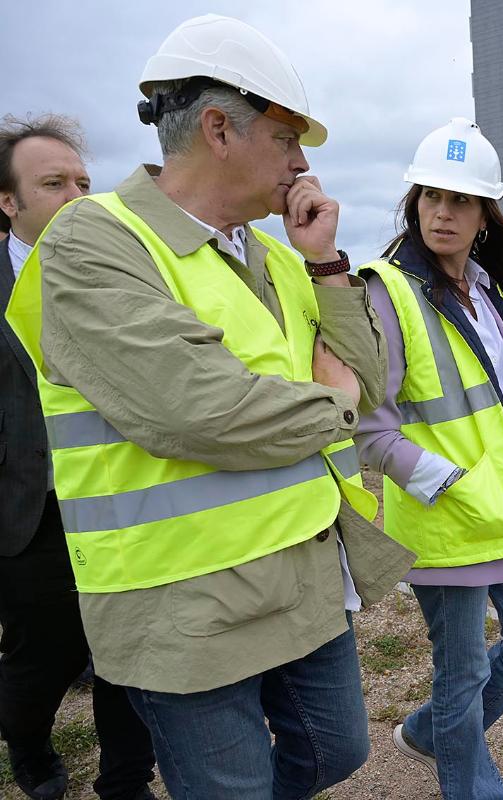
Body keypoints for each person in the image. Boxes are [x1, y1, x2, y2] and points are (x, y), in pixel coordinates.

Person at [4, 15, 416, 798]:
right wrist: (332, 400)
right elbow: (200, 410)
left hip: (302, 576)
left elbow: (368, 383)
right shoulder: (93, 241)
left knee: (338, 754)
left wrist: (326, 264)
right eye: (287, 138)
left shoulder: (274, 255)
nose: (302, 164)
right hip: (184, 609)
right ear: (219, 129)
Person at [354, 117, 503, 799]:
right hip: (446, 516)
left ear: (485, 214)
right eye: (431, 196)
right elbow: (370, 429)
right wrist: (448, 481)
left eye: (460, 200)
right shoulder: (388, 290)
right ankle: (470, 783)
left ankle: (431, 733)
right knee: (461, 674)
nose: (442, 212)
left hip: (500, 507)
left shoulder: (487, 292)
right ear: (415, 203)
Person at [0, 115, 157, 800]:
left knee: (129, 649)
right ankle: (30, 748)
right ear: (8, 201)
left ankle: (126, 779)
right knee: (42, 657)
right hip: (30, 511)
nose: (76, 196)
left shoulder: (120, 272)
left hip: (121, 499)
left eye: (84, 183)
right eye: (54, 183)